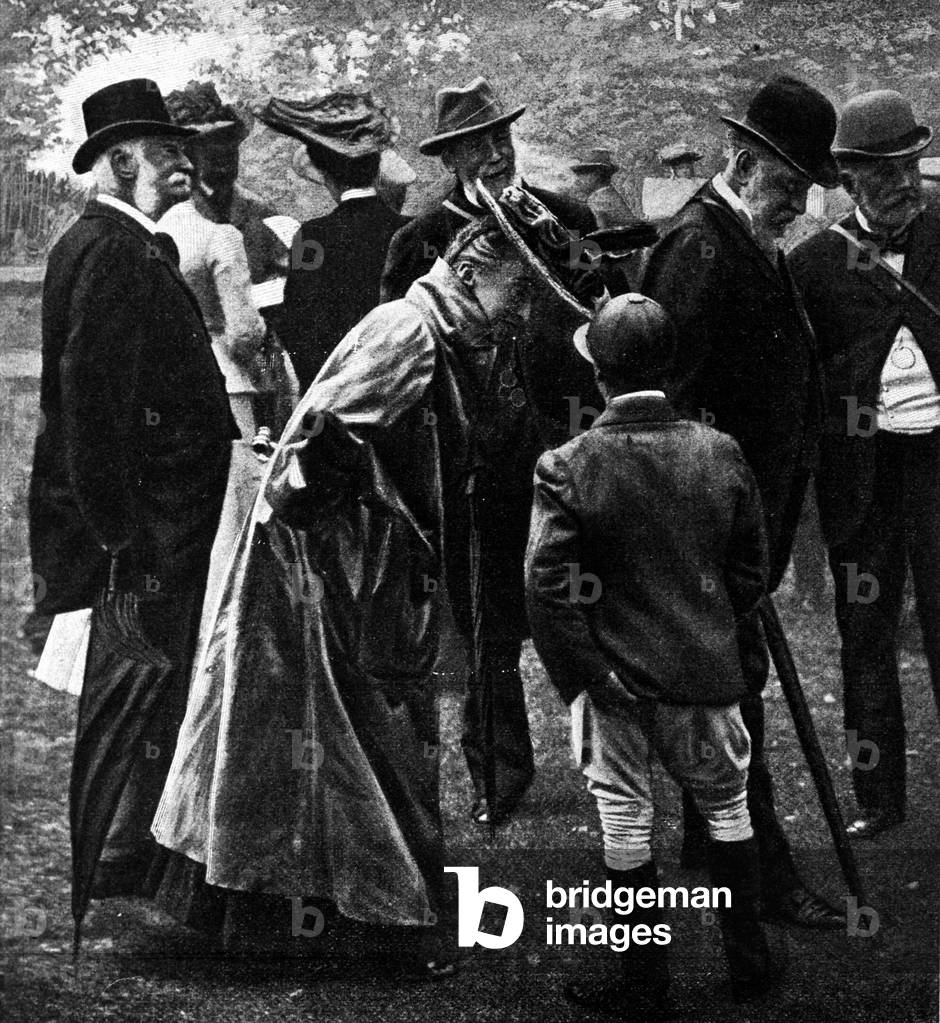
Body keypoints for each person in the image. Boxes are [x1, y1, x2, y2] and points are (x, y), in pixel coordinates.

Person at [150, 185, 608, 972]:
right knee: (361, 736)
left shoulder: (458, 339)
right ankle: (384, 923)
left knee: (339, 737)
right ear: (469, 266)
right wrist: (355, 530)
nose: (525, 310)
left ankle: (335, 915)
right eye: (519, 289)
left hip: (358, 567)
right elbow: (319, 449)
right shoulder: (410, 332)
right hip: (322, 567)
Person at [526, 293, 778, 1016]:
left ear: (597, 374)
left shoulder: (568, 463)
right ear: (667, 367)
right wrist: (719, 645)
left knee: (626, 823)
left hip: (617, 685)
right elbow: (749, 571)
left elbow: (548, 587)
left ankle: (643, 984)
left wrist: (591, 673)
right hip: (707, 676)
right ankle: (749, 963)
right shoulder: (720, 450)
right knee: (729, 809)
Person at [641, 76, 844, 929]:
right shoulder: (700, 246)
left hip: (749, 509)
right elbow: (668, 401)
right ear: (742, 162)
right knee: (735, 691)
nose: (796, 207)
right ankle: (764, 874)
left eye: (804, 191)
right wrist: (706, 530)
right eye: (787, 187)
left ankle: (712, 848)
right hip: (710, 519)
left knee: (723, 686)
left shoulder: (747, 237)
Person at [28, 78, 234, 897]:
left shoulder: (116, 242)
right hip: (146, 531)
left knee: (145, 681)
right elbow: (90, 408)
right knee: (135, 681)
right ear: (118, 162)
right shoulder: (114, 251)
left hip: (151, 524)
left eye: (183, 149)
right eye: (166, 152)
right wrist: (121, 535)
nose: (185, 163)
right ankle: (112, 851)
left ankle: (123, 847)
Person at [380, 76, 599, 824]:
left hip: (568, 455)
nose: (496, 154)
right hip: (478, 467)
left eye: (501, 138)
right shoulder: (420, 241)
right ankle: (498, 777)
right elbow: (397, 361)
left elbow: (611, 321)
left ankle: (614, 771)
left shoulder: (566, 219)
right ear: (453, 157)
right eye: (477, 145)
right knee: (486, 628)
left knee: (584, 611)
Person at [789, 90, 940, 840]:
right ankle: (877, 798)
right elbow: (803, 380)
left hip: (939, 469)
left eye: (910, 166)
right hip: (864, 478)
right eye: (882, 175)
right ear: (848, 182)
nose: (903, 185)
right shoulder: (814, 265)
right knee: (866, 635)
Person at [260, 92, 411, 391]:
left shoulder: (312, 237)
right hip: (407, 392)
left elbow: (299, 323)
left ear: (324, 172)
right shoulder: (412, 231)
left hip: (339, 395)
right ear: (377, 164)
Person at [569, 147, 635, 228]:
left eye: (583, 173)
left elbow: (601, 233)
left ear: (596, 174)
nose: (579, 179)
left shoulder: (599, 200)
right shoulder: (609, 194)